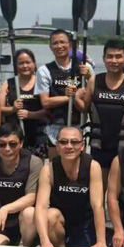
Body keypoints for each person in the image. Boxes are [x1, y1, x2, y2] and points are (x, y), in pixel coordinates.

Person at [31, 126, 107, 247]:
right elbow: (41, 207)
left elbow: (98, 206)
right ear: (57, 146)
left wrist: (101, 242)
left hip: (84, 224)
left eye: (74, 142)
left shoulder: (93, 167)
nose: (69, 146)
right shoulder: (48, 170)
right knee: (50, 214)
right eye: (64, 142)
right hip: (59, 224)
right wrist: (44, 241)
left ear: (82, 146)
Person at [75, 38, 124, 184]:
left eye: (118, 57)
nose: (114, 61)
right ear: (104, 58)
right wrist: (76, 97)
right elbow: (85, 108)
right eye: (110, 56)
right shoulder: (94, 81)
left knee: (121, 189)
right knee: (99, 187)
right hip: (99, 146)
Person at [35, 30, 88, 159]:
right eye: (55, 43)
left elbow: (90, 96)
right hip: (55, 127)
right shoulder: (44, 70)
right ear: (50, 46)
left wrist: (89, 76)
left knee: (80, 165)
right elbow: (45, 102)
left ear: (70, 45)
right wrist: (68, 97)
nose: (59, 46)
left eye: (62, 42)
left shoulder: (83, 68)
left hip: (78, 125)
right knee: (55, 165)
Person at [0, 49, 49, 159]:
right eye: (21, 63)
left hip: (38, 134)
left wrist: (30, 115)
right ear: (16, 65)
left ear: (34, 63)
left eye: (28, 62)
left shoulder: (42, 82)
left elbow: (49, 110)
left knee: (36, 164)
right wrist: (13, 109)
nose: (25, 66)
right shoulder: (8, 83)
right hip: (15, 134)